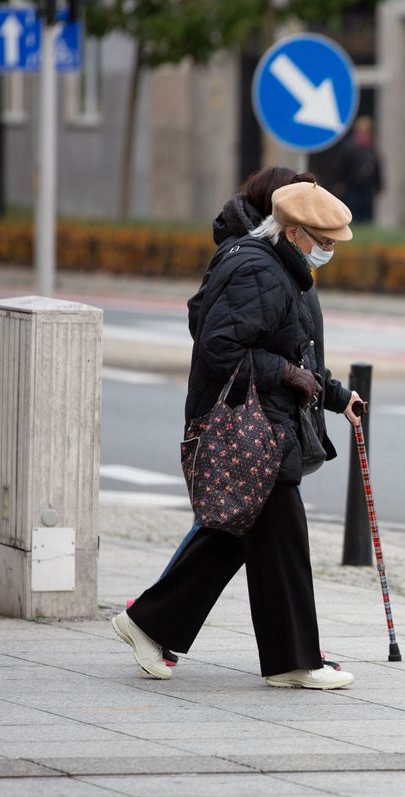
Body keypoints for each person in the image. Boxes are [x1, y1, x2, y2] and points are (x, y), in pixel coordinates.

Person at [112, 181, 363, 690]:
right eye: (324, 240)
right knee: (277, 538)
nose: (329, 251)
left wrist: (335, 395)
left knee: (237, 539)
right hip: (253, 429)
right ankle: (291, 661)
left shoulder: (280, 270)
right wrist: (284, 375)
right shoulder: (259, 272)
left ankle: (154, 624)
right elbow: (218, 347)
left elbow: (297, 351)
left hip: (264, 425)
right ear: (292, 231)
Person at [341, 117, 383, 224]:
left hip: (367, 187)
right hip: (352, 186)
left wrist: (378, 185)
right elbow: (342, 166)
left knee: (366, 212)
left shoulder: (371, 147)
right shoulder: (349, 147)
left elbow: (377, 166)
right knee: (353, 211)